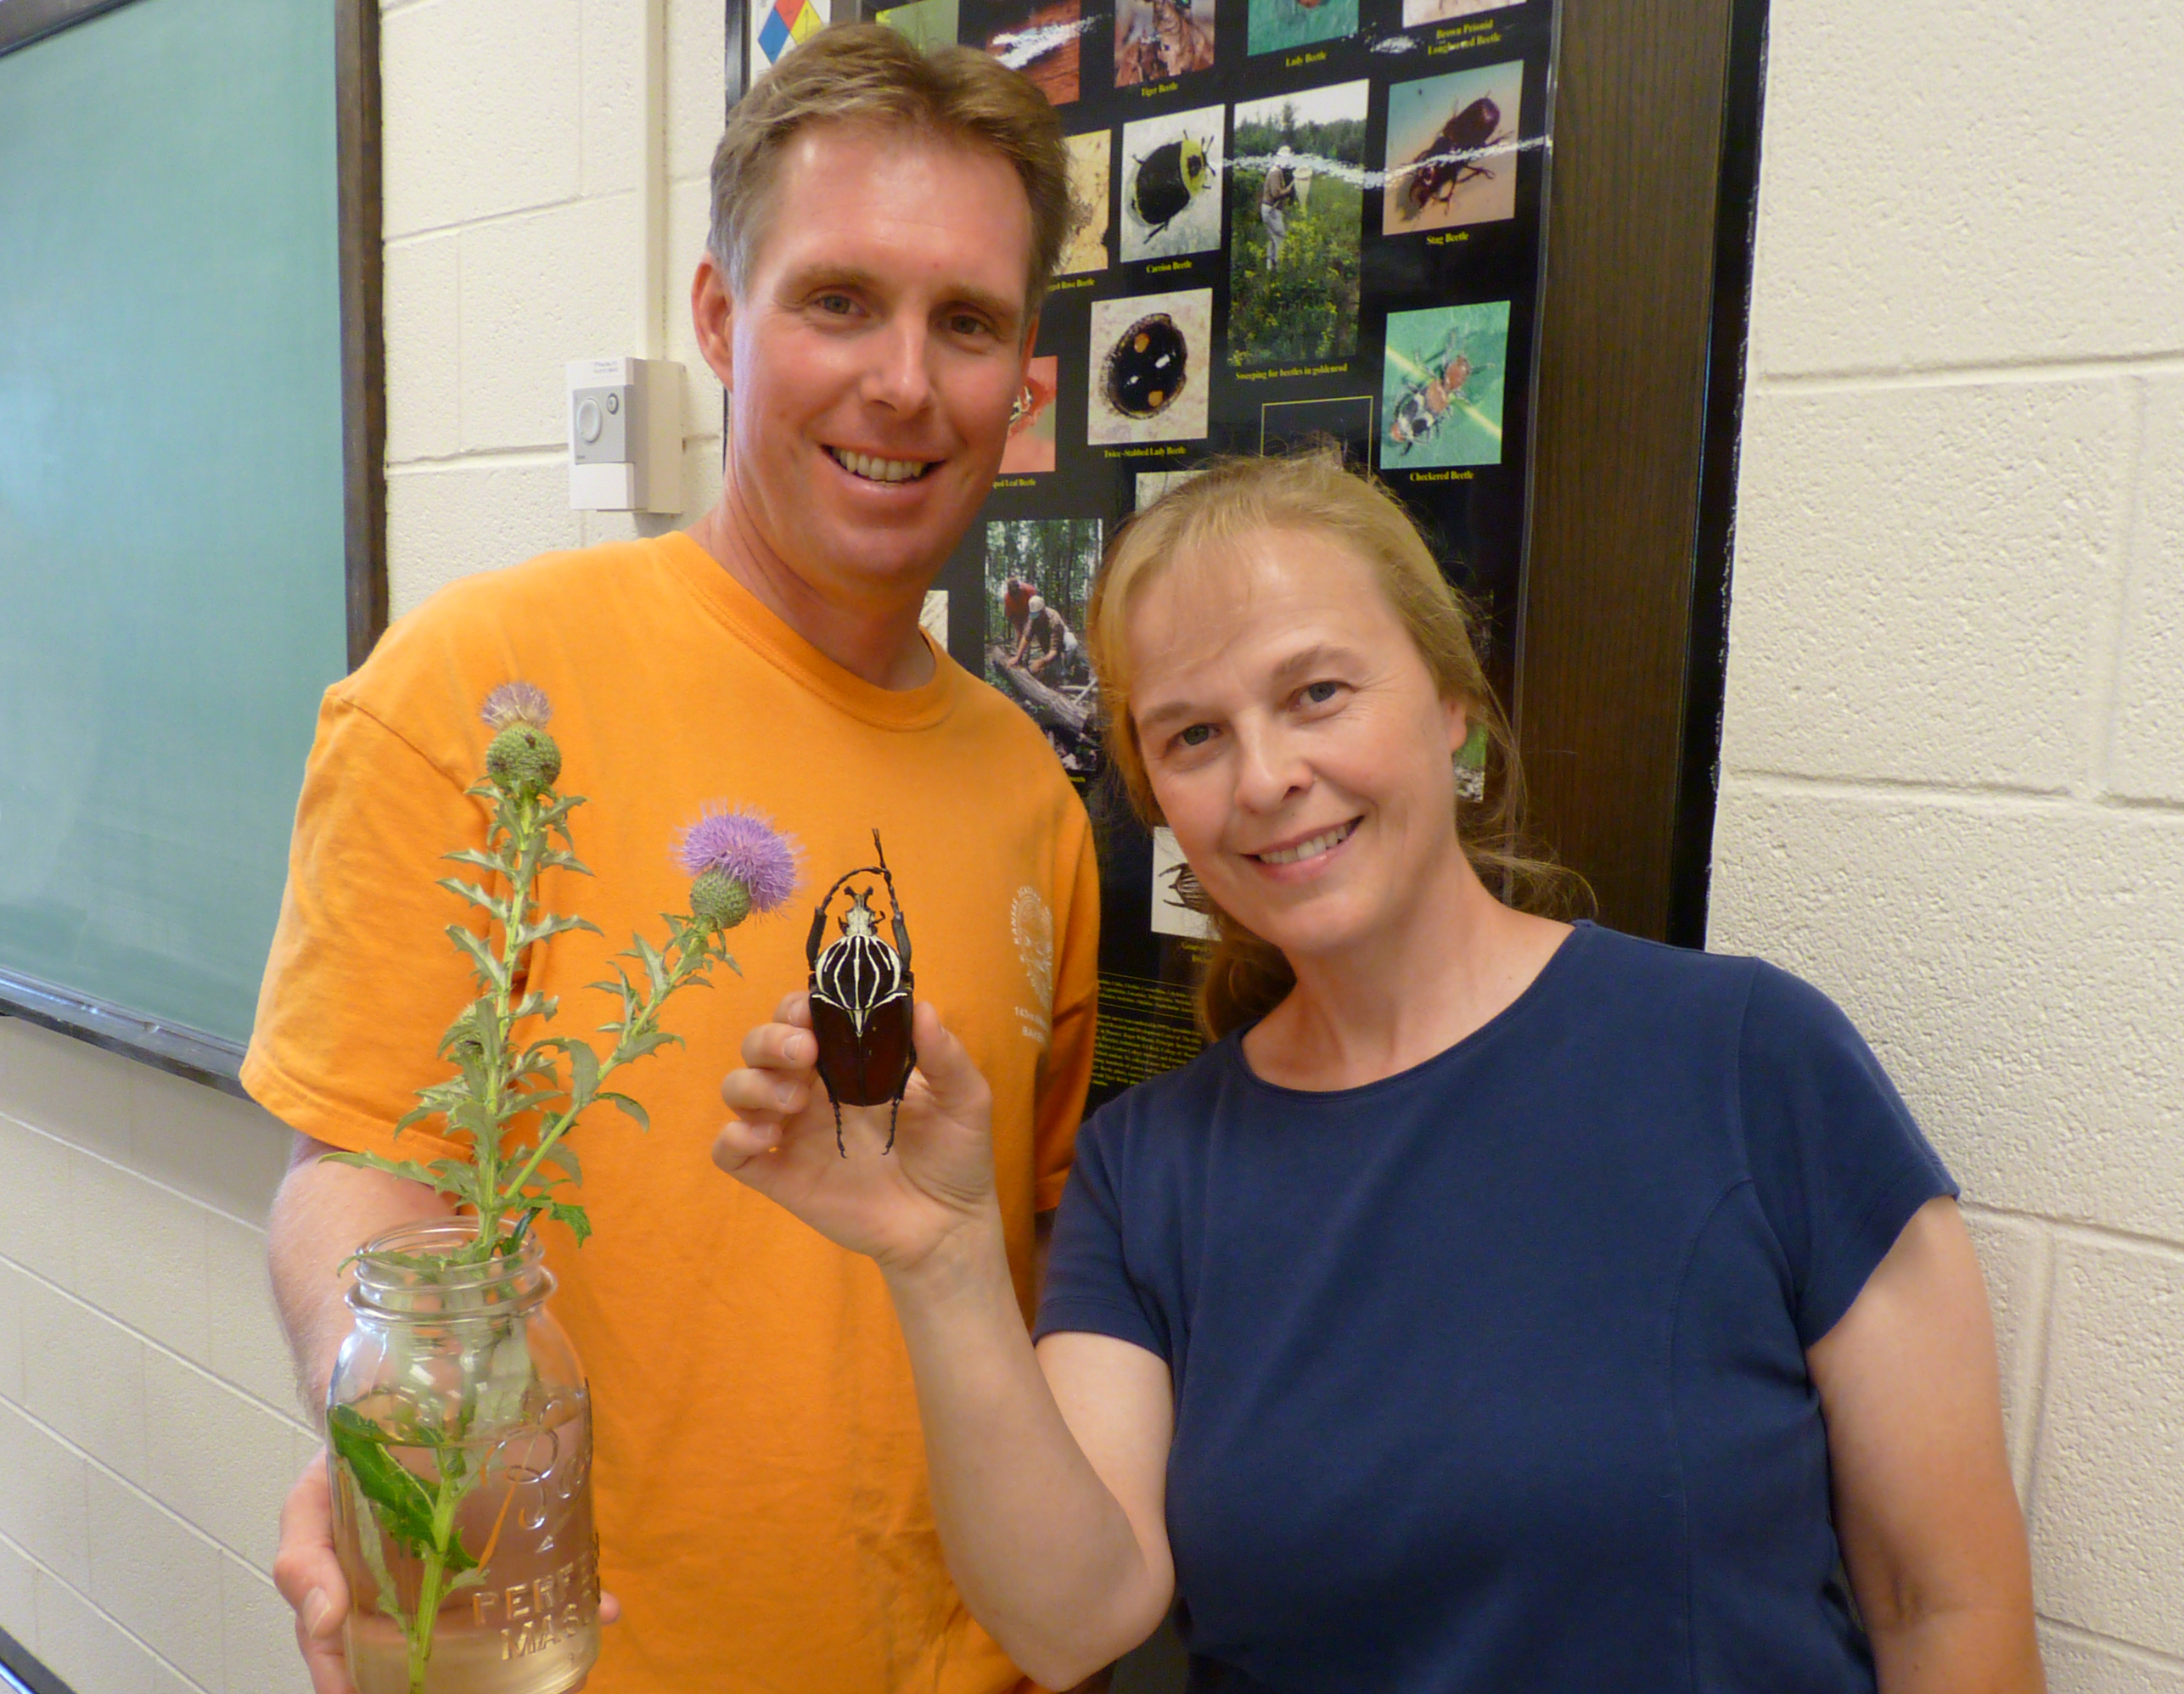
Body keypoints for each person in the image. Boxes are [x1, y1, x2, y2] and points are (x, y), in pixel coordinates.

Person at [716, 454, 2046, 1692]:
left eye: (1317, 694)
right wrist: (941, 1266)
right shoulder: (1153, 1166)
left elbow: (1947, 1605)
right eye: (1193, 737)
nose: (1268, 777)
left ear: (1452, 705)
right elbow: (1072, 1622)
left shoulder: (1751, 1060)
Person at [253, 25, 1100, 1693]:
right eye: (838, 300)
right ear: (721, 321)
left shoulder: (1031, 796)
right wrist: (396, 1415)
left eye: (969, 323)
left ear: (1027, 387)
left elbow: (1033, 1260)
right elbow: (346, 1166)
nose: (904, 383)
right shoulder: (475, 690)